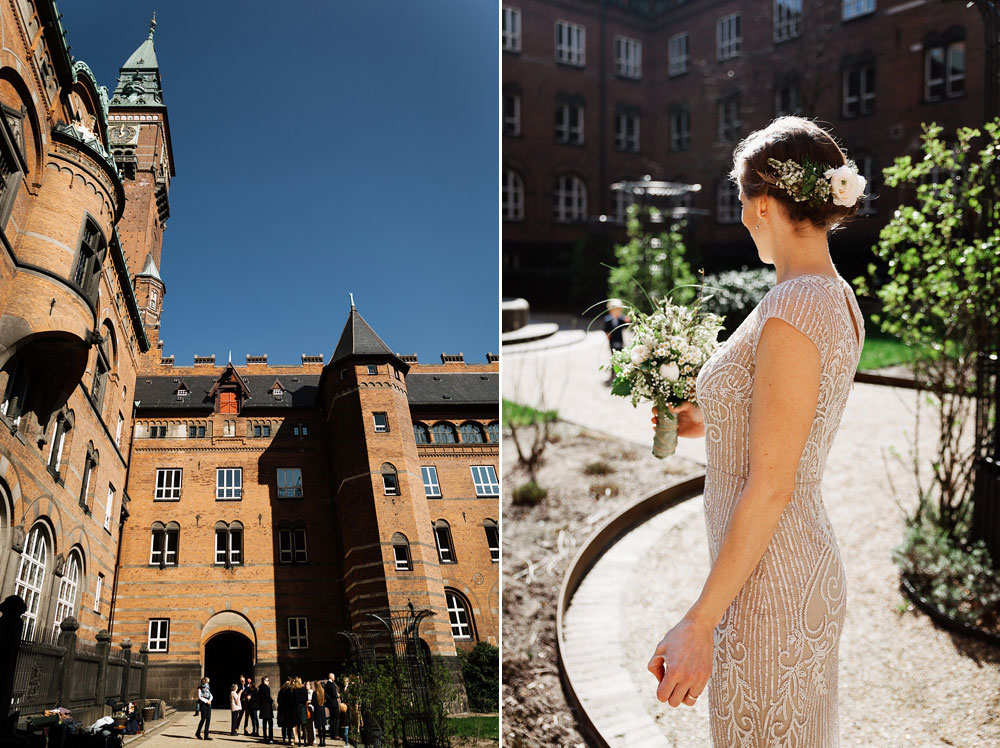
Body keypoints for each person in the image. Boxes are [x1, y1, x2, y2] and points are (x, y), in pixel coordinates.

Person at [645, 115, 866, 747]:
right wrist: (702, 418)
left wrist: (698, 622)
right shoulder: (830, 295)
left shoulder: (794, 307)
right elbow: (784, 420)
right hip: (779, 572)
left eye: (742, 203)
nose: (742, 218)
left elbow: (772, 484)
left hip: (772, 589)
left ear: (764, 204)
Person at [602, 300, 630, 385]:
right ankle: (613, 373)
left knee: (621, 357)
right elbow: (606, 330)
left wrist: (628, 320)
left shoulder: (622, 319)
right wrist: (608, 336)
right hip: (612, 341)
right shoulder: (607, 320)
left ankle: (621, 373)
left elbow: (627, 325)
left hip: (620, 341)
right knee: (613, 357)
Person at [321, 673, 340, 739]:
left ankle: (332, 734)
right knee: (337, 718)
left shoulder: (326, 685)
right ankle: (336, 734)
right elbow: (334, 694)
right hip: (334, 703)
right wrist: (337, 695)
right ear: (331, 677)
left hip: (329, 704)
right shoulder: (332, 684)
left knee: (331, 719)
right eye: (334, 677)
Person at [291, 677, 308, 746]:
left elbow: (292, 701)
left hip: (297, 708)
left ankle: (300, 742)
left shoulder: (294, 691)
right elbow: (306, 699)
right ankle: (304, 742)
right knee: (304, 725)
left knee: (298, 725)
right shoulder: (304, 690)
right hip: (303, 708)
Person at [277, 678, 294, 745]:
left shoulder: (281, 690)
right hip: (289, 710)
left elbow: (278, 701)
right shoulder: (290, 691)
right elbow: (292, 701)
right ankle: (289, 739)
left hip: (282, 711)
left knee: (283, 726)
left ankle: (284, 739)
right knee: (289, 726)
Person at [309, 681, 326, 747]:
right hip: (322, 710)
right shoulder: (323, 692)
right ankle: (324, 742)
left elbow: (313, 702)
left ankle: (321, 741)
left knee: (319, 727)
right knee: (323, 726)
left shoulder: (315, 693)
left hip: (317, 711)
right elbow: (328, 699)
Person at [195, 676, 213, 740]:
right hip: (203, 705)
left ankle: (206, 735)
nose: (207, 683)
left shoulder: (207, 687)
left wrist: (210, 700)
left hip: (208, 704)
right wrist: (206, 701)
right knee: (203, 719)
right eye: (206, 681)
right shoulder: (200, 688)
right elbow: (200, 697)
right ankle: (198, 732)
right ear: (204, 681)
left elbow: (210, 694)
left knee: (208, 720)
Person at [258, 676, 274, 744]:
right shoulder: (266, 688)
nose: (268, 682)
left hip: (263, 708)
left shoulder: (260, 688)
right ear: (264, 681)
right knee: (270, 723)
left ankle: (265, 737)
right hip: (267, 708)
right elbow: (268, 697)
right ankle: (270, 738)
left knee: (264, 723)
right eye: (267, 680)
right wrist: (271, 701)